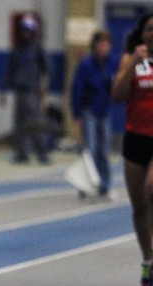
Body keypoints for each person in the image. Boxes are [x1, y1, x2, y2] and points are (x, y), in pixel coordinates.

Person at [111, 13, 153, 286]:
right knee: (139, 206)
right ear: (142, 33)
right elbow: (116, 95)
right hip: (135, 139)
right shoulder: (131, 60)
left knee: (151, 191)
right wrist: (133, 64)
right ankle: (148, 261)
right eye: (149, 29)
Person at [71, 30, 119, 199]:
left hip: (104, 111)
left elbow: (117, 84)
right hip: (88, 110)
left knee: (103, 150)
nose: (104, 48)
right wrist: (76, 113)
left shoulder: (113, 63)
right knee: (89, 148)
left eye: (107, 45)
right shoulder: (85, 65)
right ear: (95, 46)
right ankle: (85, 185)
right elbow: (76, 89)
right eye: (101, 44)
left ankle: (104, 186)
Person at [0, 13, 50, 165]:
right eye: (24, 30)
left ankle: (42, 153)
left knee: (35, 122)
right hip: (19, 90)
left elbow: (45, 70)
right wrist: (4, 91)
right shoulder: (17, 49)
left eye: (28, 30)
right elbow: (10, 70)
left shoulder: (36, 49)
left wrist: (43, 89)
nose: (25, 33)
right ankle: (22, 153)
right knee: (20, 123)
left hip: (32, 90)